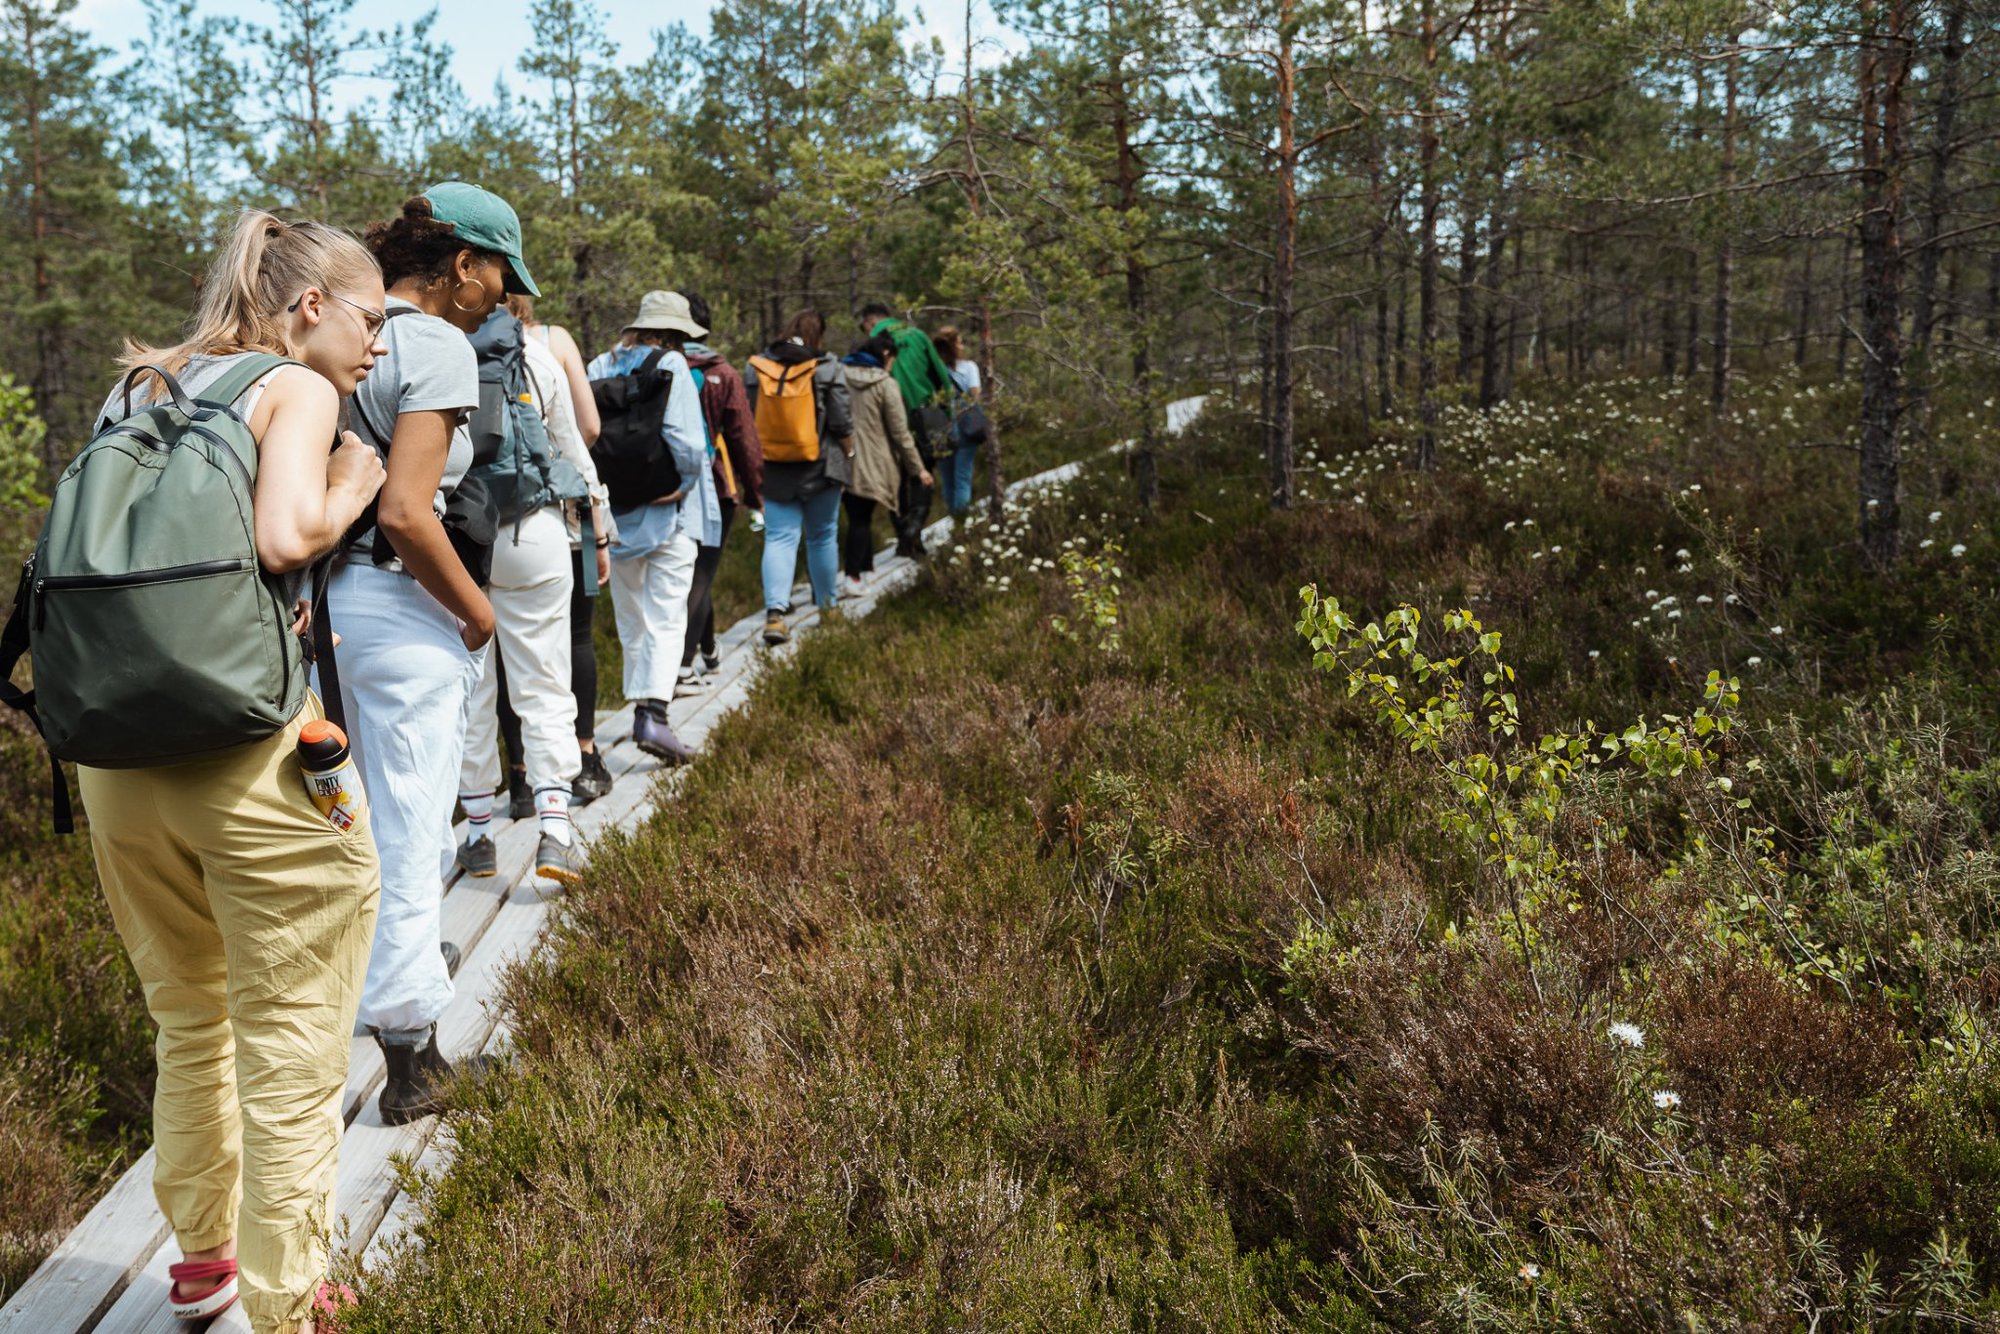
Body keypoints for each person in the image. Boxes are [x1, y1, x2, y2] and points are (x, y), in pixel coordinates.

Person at [79, 210, 387, 1332]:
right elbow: (284, 535)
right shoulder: (295, 387)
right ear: (310, 308)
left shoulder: (140, 386)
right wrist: (356, 475)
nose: (377, 346)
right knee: (294, 1028)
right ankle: (290, 1295)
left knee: (190, 1014)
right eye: (370, 318)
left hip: (116, 758)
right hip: (247, 758)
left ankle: (203, 1258)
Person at [333, 182, 530, 1127]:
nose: (502, 292)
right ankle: (412, 1062)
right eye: (497, 271)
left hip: (326, 610)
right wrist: (477, 612)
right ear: (459, 265)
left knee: (356, 824)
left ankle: (376, 995)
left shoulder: (347, 336)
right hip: (403, 614)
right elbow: (409, 511)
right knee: (411, 831)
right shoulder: (438, 342)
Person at [455, 300, 611, 888]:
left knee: (472, 688)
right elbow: (575, 444)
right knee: (545, 683)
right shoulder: (536, 357)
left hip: (459, 539)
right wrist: (598, 529)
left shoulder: (435, 353)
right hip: (536, 531)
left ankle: (477, 837)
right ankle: (556, 831)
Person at [496, 294, 615, 810]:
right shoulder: (550, 342)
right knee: (576, 637)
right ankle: (582, 757)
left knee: (505, 651)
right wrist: (600, 529)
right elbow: (585, 431)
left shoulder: (457, 344)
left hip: (491, 524)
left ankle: (519, 774)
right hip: (564, 520)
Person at [587, 290, 715, 762]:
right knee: (666, 613)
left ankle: (641, 706)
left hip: (615, 512)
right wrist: (682, 484)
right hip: (665, 511)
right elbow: (687, 443)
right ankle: (653, 716)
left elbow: (585, 432)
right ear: (675, 333)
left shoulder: (599, 364)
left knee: (632, 616)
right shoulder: (673, 366)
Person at [747, 309, 851, 646]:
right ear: (819, 334)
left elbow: (748, 418)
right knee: (822, 536)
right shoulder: (827, 368)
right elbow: (841, 421)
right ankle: (828, 608)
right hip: (821, 466)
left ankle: (775, 615)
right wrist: (849, 452)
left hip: (774, 466)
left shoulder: (758, 368)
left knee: (779, 538)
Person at [677, 291, 764, 688]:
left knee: (692, 574)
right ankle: (682, 664)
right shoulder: (722, 373)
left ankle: (708, 648)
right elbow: (744, 439)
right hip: (713, 484)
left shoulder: (655, 364)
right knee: (701, 575)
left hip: (661, 488)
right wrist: (755, 494)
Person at [839, 333, 931, 598]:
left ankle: (865, 569)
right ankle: (853, 575)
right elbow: (900, 433)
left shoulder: (840, 375)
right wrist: (918, 469)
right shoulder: (885, 385)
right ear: (887, 354)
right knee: (861, 519)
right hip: (875, 461)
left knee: (857, 515)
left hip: (841, 458)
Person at [857, 302, 954, 554]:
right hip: (924, 416)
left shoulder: (872, 344)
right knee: (922, 474)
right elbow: (941, 376)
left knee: (895, 480)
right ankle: (914, 531)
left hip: (886, 423)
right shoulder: (917, 336)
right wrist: (947, 414)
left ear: (871, 322)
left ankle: (904, 536)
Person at [932, 326, 983, 517]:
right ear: (954, 345)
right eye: (960, 342)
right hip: (965, 429)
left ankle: (954, 517)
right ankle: (961, 523)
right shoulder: (969, 368)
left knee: (948, 481)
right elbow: (974, 396)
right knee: (962, 479)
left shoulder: (934, 371)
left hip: (940, 430)